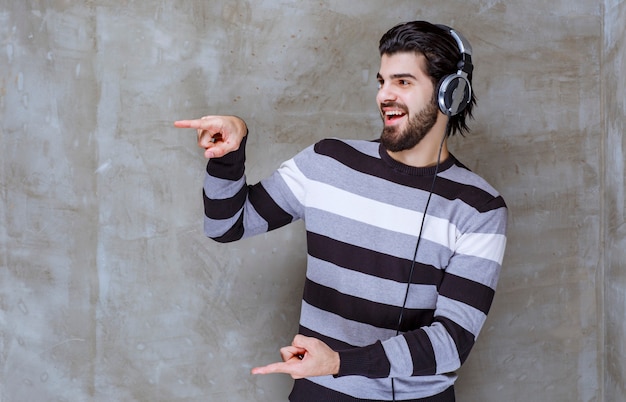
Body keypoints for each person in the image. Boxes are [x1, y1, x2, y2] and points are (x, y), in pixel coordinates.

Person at [175, 20, 507, 402]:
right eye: (382, 81)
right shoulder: (327, 162)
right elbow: (226, 225)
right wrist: (228, 158)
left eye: (403, 82)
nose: (385, 95)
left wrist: (339, 362)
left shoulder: (480, 208)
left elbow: (452, 342)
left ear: (451, 93)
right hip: (320, 393)